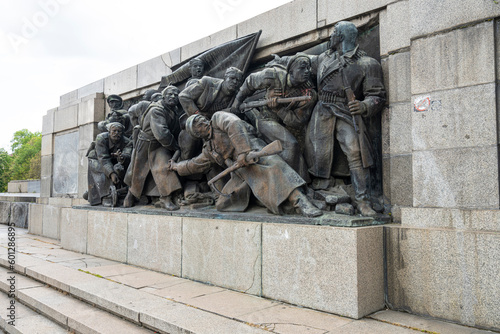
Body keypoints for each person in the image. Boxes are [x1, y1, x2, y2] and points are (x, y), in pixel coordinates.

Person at [169, 112, 322, 217]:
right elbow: (194, 164)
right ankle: (270, 200)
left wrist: (243, 153)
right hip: (241, 171)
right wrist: (176, 166)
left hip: (253, 152)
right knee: (223, 203)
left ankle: (301, 202)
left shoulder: (217, 119)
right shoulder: (209, 149)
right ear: (196, 133)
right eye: (196, 123)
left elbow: (234, 124)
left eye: (200, 118)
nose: (201, 120)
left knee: (274, 167)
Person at [305, 21, 386, 216]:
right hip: (321, 113)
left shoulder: (367, 64)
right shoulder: (324, 58)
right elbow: (302, 63)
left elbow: (377, 96)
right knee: (316, 158)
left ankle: (362, 200)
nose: (330, 37)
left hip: (345, 112)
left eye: (333, 33)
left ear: (340, 37)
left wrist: (363, 105)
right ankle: (320, 193)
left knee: (356, 152)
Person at [232, 54, 317, 181]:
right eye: (302, 68)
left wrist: (278, 109)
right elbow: (250, 82)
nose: (306, 72)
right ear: (291, 70)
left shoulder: (309, 93)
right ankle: (291, 183)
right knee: (291, 144)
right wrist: (237, 101)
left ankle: (303, 183)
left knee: (297, 147)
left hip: (289, 124)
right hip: (267, 119)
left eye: (308, 68)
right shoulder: (273, 76)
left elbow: (298, 120)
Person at [123, 85, 183, 210]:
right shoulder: (156, 110)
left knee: (163, 167)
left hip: (160, 144)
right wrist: (175, 146)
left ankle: (166, 198)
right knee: (138, 172)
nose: (173, 97)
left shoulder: (173, 109)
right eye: (170, 94)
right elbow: (162, 133)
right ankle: (130, 195)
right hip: (148, 143)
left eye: (176, 95)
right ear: (164, 96)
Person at [178, 67, 244, 160]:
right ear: (225, 77)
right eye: (232, 78)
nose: (234, 82)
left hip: (214, 129)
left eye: (238, 80)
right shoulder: (207, 82)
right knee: (187, 151)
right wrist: (197, 114)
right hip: (196, 124)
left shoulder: (236, 96)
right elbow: (183, 96)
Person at [86, 122, 132, 206]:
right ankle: (105, 196)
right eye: (114, 131)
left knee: (120, 169)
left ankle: (120, 194)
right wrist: (111, 173)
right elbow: (103, 158)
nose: (116, 133)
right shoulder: (101, 138)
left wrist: (122, 158)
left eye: (119, 131)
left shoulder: (127, 142)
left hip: (115, 160)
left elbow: (128, 155)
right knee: (100, 171)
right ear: (109, 131)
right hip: (97, 158)